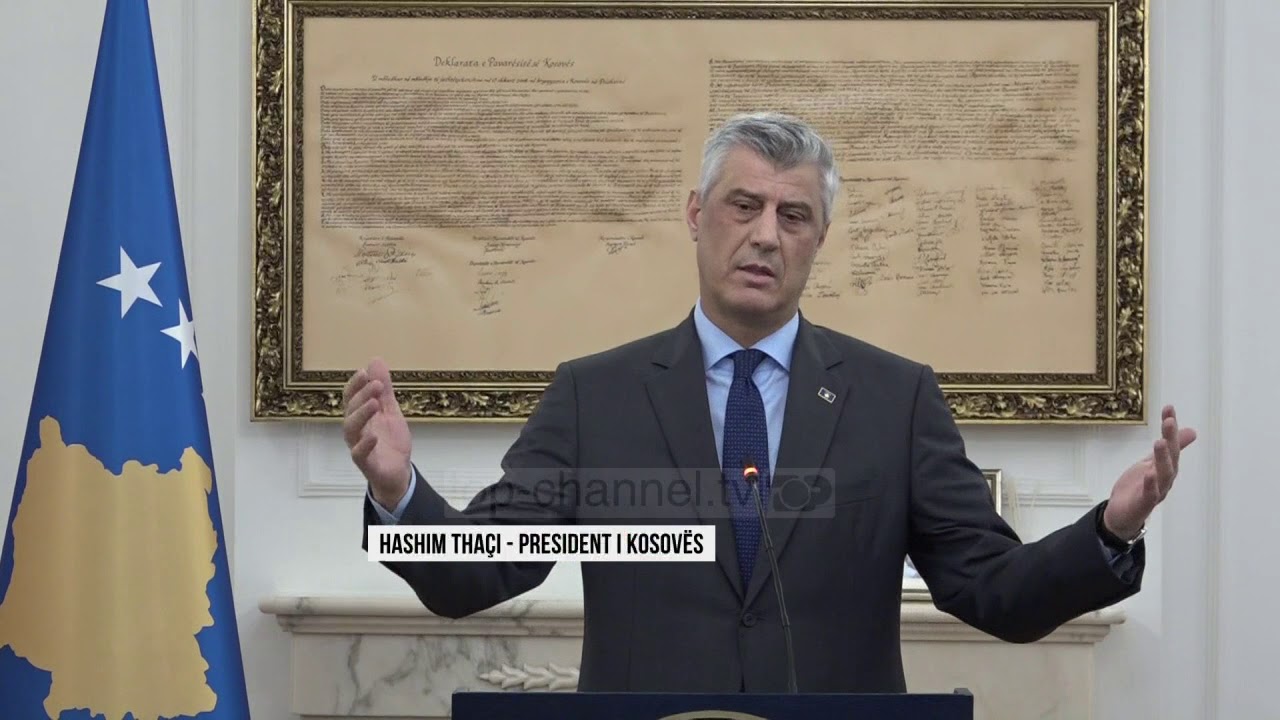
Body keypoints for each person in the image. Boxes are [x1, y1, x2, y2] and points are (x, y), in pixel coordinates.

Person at [343, 112, 1196, 694]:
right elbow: (477, 573)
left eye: (794, 216)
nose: (764, 235)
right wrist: (397, 491)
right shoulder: (594, 395)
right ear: (696, 215)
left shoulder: (894, 399)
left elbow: (994, 590)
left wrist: (1110, 529)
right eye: (743, 206)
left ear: (819, 238)